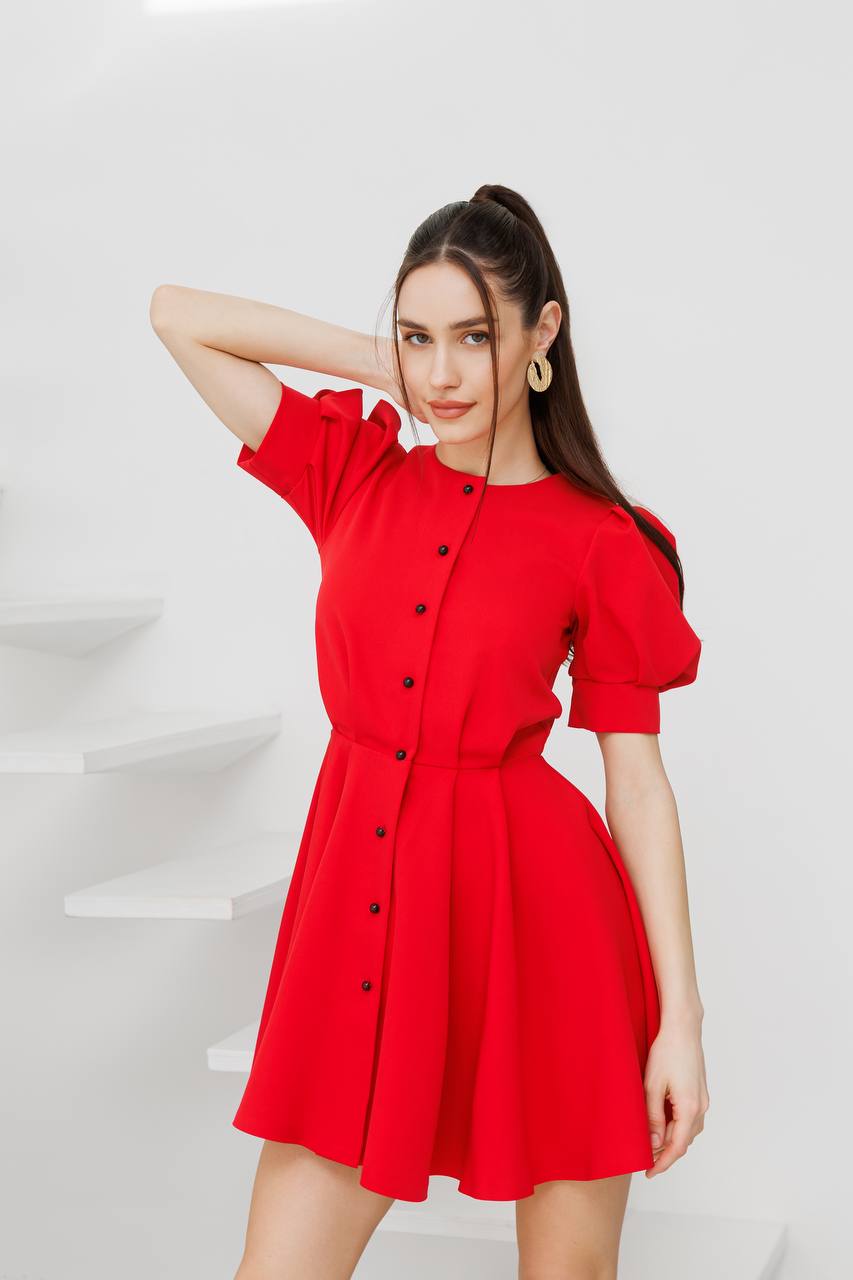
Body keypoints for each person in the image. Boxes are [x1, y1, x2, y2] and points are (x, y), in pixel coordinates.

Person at [150, 183, 709, 1280]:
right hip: (354, 926)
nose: (441, 374)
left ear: (543, 333)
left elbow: (634, 784)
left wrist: (680, 1023)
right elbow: (178, 313)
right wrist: (381, 364)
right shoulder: (351, 470)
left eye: (473, 338)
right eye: (420, 337)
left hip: (540, 935)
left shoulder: (602, 541)